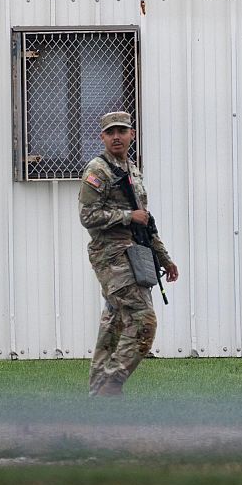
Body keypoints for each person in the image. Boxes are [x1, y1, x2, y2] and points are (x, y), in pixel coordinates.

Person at [79, 111, 179, 397]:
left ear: (131, 135)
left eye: (122, 131)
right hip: (110, 255)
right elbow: (87, 215)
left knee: (114, 322)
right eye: (110, 132)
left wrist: (164, 258)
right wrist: (126, 216)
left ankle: (99, 393)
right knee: (142, 318)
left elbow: (145, 220)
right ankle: (113, 382)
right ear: (103, 137)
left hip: (133, 251)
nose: (116, 137)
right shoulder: (97, 171)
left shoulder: (131, 170)